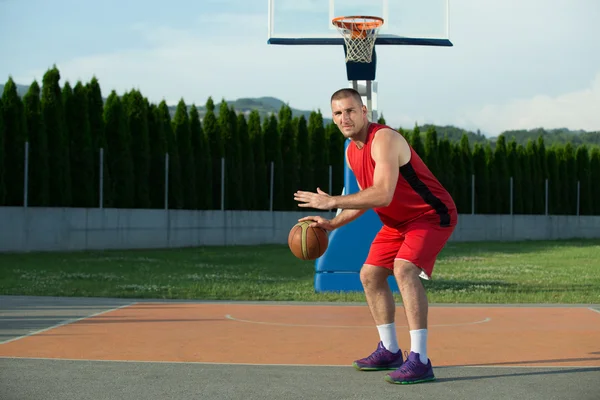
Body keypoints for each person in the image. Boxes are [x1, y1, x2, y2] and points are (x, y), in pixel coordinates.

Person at [293, 88, 457, 385]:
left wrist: (333, 201)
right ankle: (390, 351)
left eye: (351, 111)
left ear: (364, 111)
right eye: (338, 113)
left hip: (431, 215)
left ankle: (419, 359)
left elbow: (382, 193)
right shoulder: (351, 151)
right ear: (333, 118)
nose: (345, 117)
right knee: (369, 275)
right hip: (398, 223)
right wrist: (332, 223)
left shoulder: (384, 139)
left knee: (404, 268)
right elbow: (366, 198)